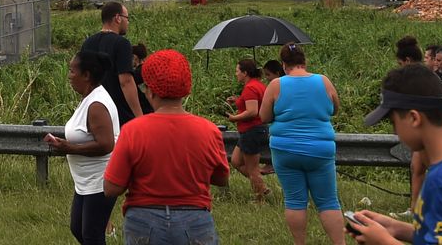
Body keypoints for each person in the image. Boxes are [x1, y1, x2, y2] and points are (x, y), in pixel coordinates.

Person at [350, 64, 442, 245]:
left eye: (394, 122)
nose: (395, 132)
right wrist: (395, 228)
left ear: (414, 118)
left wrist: (383, 241)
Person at [101, 49, 230, 245]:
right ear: (186, 88)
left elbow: (111, 188)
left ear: (150, 91)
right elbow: (221, 178)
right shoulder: (208, 130)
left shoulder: (133, 130)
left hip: (144, 221)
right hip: (196, 220)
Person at [261, 43, 346, 245]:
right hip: (320, 148)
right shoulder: (323, 81)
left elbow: (264, 116)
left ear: (283, 65)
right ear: (304, 61)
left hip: (285, 149)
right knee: (328, 201)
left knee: (295, 201)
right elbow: (335, 108)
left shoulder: (276, 85)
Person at [44, 49, 117, 245]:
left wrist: (70, 148)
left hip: (99, 180)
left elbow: (106, 144)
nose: (69, 76)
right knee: (78, 229)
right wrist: (66, 145)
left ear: (86, 75)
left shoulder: (97, 104)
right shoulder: (89, 98)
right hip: (85, 181)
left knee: (92, 236)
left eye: (72, 71)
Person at [78, 3, 144, 125]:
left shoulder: (87, 43)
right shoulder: (122, 44)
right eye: (127, 18)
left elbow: (83, 81)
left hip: (95, 113)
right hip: (119, 114)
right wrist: (140, 117)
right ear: (118, 18)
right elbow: (126, 82)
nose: (127, 22)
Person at [225, 58, 268, 202]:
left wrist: (234, 118)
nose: (236, 74)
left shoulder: (250, 88)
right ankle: (260, 185)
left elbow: (252, 111)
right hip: (252, 130)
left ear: (245, 72)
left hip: (252, 130)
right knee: (236, 161)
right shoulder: (258, 85)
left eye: (237, 71)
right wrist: (237, 100)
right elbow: (251, 102)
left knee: (252, 168)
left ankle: (259, 198)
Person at [395, 36, 428, 204]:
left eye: (400, 64)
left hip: (428, 133)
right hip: (423, 132)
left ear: (407, 61)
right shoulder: (426, 74)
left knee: (428, 169)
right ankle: (416, 207)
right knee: (417, 168)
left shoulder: (419, 77)